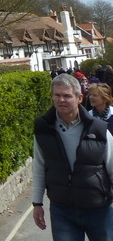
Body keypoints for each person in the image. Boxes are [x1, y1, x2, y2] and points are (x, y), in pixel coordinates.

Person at [32, 73, 113, 238]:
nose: (61, 100)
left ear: (79, 98)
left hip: (99, 209)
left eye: (67, 96)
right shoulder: (43, 129)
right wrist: (37, 203)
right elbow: (39, 167)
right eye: (57, 95)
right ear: (52, 97)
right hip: (62, 210)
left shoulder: (99, 130)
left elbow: (112, 167)